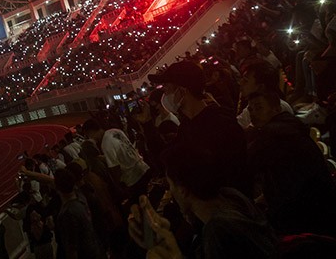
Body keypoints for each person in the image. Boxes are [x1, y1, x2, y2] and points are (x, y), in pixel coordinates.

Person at [128, 143, 277, 259]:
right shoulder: (230, 196)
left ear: (182, 190)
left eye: (170, 185)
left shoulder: (218, 230)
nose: (170, 192)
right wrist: (161, 239)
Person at [246, 92, 336, 237]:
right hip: (324, 211)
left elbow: (245, 166)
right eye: (250, 109)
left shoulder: (274, 132)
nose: (253, 113)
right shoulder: (290, 125)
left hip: (308, 222)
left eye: (259, 107)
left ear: (276, 109)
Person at [149, 60, 251, 196]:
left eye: (167, 88)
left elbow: (235, 175)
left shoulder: (221, 124)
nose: (164, 95)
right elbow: (166, 159)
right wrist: (147, 124)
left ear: (182, 91)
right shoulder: (187, 126)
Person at [81, 118, 151, 202]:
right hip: (142, 167)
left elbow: (115, 168)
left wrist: (119, 185)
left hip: (133, 178)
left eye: (88, 135)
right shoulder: (115, 131)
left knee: (144, 204)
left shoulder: (105, 144)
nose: (90, 137)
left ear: (91, 131)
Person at [53, 168, 105, 259]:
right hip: (96, 249)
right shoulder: (80, 196)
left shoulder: (67, 213)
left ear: (57, 188)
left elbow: (72, 249)